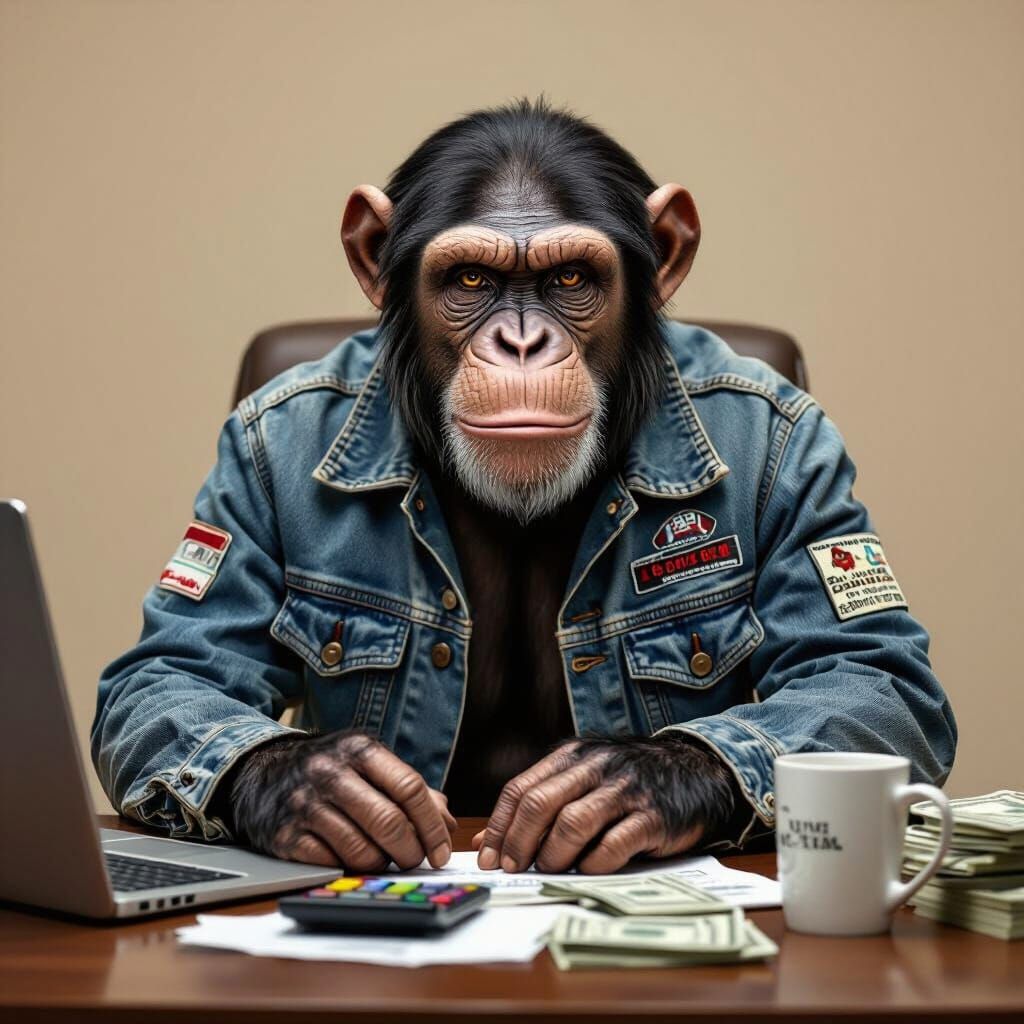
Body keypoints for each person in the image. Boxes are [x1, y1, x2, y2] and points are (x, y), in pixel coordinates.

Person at [92, 100, 956, 875]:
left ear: (659, 260)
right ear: (376, 259)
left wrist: (701, 773)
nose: (519, 339)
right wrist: (257, 771)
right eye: (469, 282)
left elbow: (888, 695)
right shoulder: (285, 442)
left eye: (570, 282)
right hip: (384, 937)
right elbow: (156, 687)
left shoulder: (765, 439)